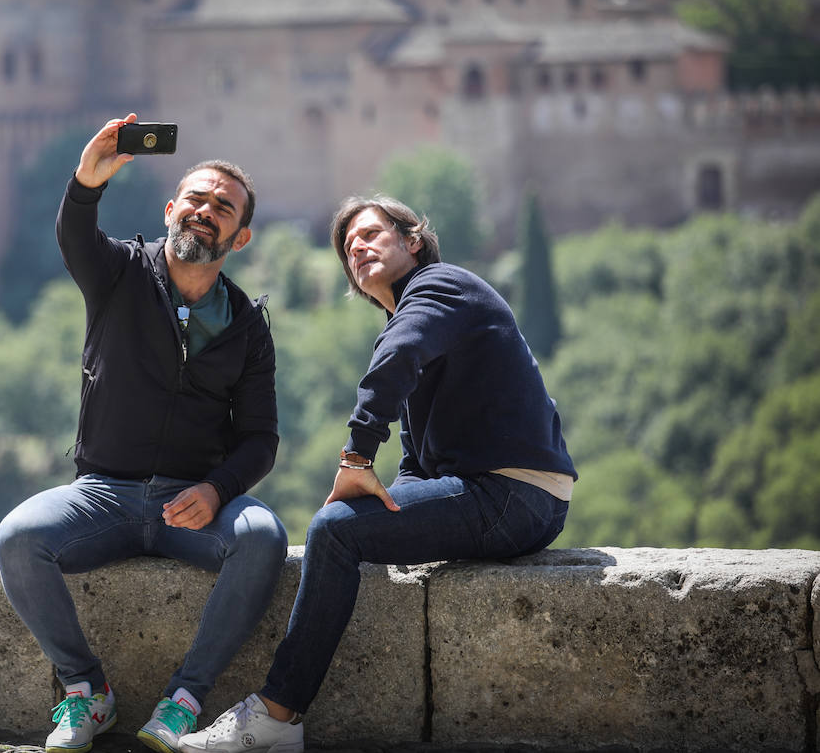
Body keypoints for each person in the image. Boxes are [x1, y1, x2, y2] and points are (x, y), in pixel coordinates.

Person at [181, 194, 576, 753]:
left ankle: (277, 715)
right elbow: (416, 462)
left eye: (370, 235)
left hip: (513, 494)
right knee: (345, 525)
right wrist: (385, 513)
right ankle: (279, 716)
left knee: (335, 530)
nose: (357, 248)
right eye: (347, 248)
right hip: (511, 498)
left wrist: (356, 461)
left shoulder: (440, 287)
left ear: (413, 240)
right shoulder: (417, 318)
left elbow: (395, 361)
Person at [0, 114, 287, 753]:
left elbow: (260, 439)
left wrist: (217, 490)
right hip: (103, 496)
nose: (206, 211)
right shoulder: (119, 274)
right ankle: (85, 693)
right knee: (18, 538)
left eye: (224, 207)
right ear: (170, 209)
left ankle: (184, 700)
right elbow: (75, 236)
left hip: (194, 504)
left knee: (264, 535)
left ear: (239, 238)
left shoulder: (246, 325)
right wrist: (85, 181)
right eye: (197, 199)